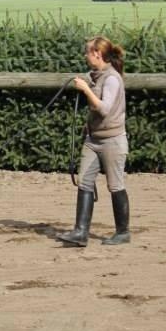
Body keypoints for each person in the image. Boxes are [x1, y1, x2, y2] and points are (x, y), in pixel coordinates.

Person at [56, 36, 131, 247]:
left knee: (115, 185)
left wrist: (86, 90)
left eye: (87, 52)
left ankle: (123, 232)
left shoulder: (112, 79)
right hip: (93, 139)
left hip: (112, 141)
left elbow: (104, 108)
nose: (85, 56)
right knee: (84, 182)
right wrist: (86, 82)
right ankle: (80, 232)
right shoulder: (97, 76)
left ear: (97, 54)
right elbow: (92, 81)